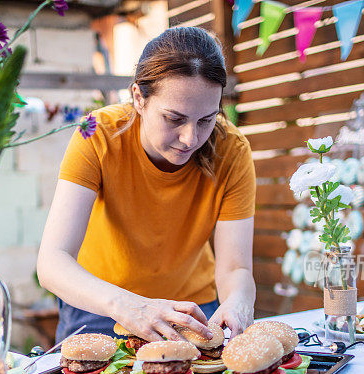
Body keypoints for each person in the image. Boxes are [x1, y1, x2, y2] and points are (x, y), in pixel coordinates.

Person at [37, 26, 256, 344]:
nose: (190, 138)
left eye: (206, 119)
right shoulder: (98, 135)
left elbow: (236, 267)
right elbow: (52, 261)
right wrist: (128, 306)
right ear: (139, 97)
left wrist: (237, 303)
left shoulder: (232, 150)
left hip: (194, 310)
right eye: (174, 118)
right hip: (100, 307)